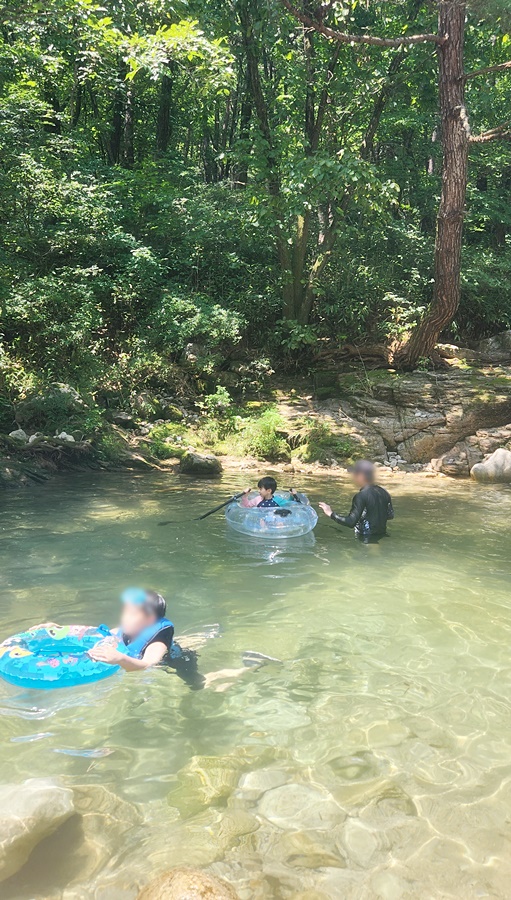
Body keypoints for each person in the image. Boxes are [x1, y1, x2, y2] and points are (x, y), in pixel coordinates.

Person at [88, 587, 206, 688]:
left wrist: (120, 659)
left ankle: (213, 677)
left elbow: (146, 665)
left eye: (133, 614)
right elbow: (107, 635)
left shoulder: (157, 643)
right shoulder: (127, 627)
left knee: (196, 683)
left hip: (174, 660)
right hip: (148, 651)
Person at [318, 460, 394, 541]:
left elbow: (351, 522)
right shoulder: (383, 492)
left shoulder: (361, 496)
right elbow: (390, 515)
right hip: (382, 535)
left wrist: (330, 513)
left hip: (366, 538)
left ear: (360, 476)